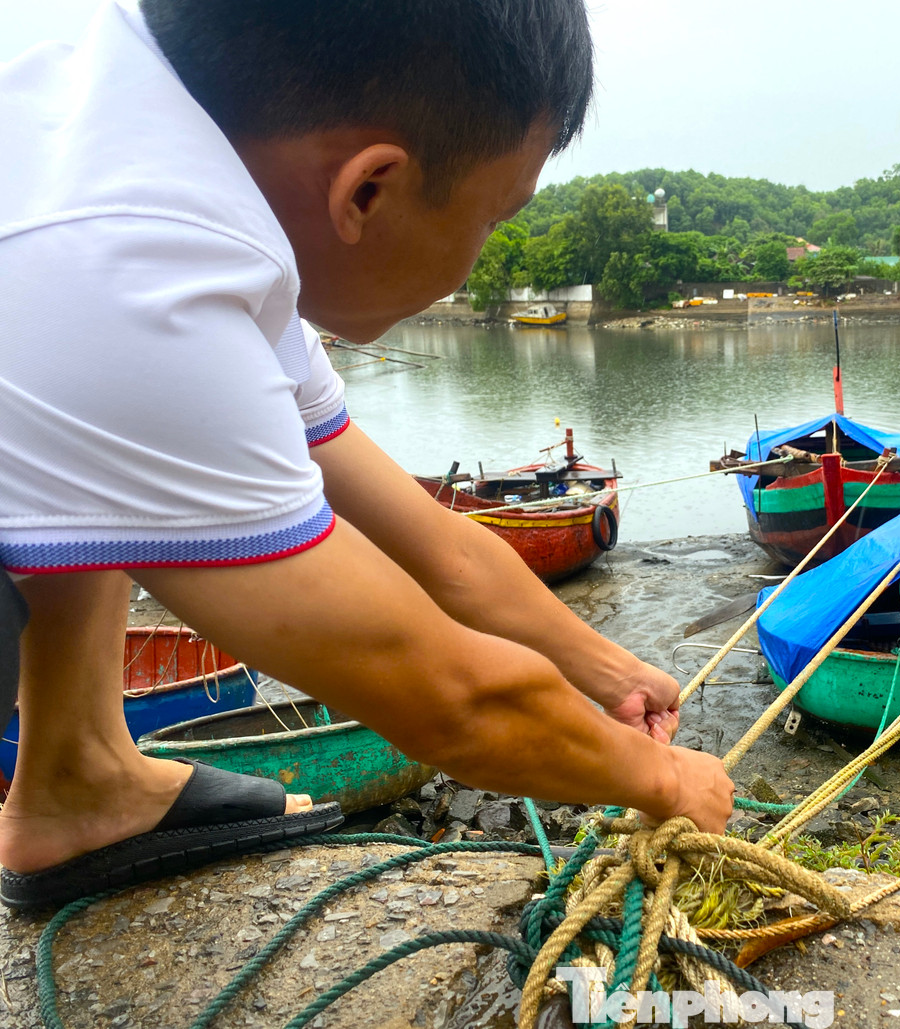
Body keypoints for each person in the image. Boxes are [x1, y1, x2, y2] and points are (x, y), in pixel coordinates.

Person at [0, 0, 735, 909]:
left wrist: (613, 674)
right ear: (368, 190)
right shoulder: (124, 272)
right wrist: (665, 781)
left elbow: (443, 548)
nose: (481, 258)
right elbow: (445, 694)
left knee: (94, 483)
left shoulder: (177, 185)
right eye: (496, 220)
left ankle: (80, 774)